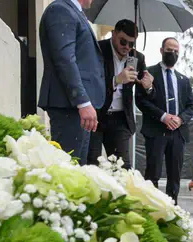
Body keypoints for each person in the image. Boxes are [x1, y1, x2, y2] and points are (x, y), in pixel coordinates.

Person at [38, 0, 105, 165]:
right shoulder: (60, 10)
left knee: (77, 168)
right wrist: (83, 102)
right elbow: (65, 59)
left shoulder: (73, 12)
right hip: (69, 106)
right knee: (68, 169)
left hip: (75, 108)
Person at [87, 19, 154, 168]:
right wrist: (116, 80)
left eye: (132, 44)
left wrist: (148, 87)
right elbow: (90, 81)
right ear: (113, 34)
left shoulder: (137, 58)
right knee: (92, 164)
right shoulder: (98, 49)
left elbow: (145, 92)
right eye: (123, 41)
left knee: (122, 167)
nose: (127, 47)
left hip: (120, 118)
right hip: (96, 115)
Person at [137, 37, 193, 201]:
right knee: (152, 174)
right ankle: (150, 207)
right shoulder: (149, 73)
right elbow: (141, 100)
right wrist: (163, 117)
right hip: (156, 131)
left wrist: (180, 119)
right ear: (162, 50)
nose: (173, 53)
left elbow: (191, 106)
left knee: (174, 176)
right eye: (170, 50)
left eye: (176, 51)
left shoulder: (183, 80)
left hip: (178, 134)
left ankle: (172, 210)